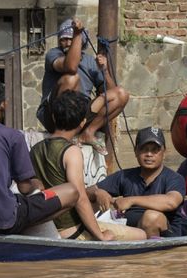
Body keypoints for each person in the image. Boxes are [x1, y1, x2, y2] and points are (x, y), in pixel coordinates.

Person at [0, 77, 77, 234]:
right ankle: (19, 228)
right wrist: (36, 184)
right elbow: (24, 188)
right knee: (71, 191)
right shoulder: (12, 136)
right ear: (4, 103)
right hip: (5, 219)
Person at [30, 90, 144, 241]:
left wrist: (96, 193)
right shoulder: (72, 152)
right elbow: (79, 198)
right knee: (142, 235)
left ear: (53, 117)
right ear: (82, 122)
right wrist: (100, 236)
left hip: (47, 225)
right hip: (70, 230)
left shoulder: (36, 148)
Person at [37, 18, 129, 155]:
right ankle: (63, 134)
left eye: (71, 38)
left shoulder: (89, 62)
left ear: (82, 41)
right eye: (64, 39)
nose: (67, 43)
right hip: (55, 115)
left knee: (121, 94)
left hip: (80, 114)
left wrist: (104, 71)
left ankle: (88, 132)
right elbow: (71, 67)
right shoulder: (54, 54)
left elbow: (110, 91)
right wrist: (77, 33)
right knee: (71, 79)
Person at [89, 127, 186, 238]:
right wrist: (98, 192)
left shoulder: (175, 178)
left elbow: (171, 202)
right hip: (131, 232)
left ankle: (150, 254)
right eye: (144, 149)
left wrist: (131, 200)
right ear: (136, 152)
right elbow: (86, 192)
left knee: (152, 217)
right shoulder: (125, 176)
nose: (149, 154)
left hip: (166, 236)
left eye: (155, 150)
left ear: (164, 153)